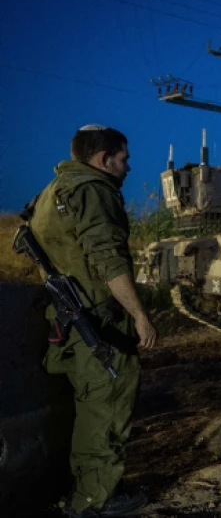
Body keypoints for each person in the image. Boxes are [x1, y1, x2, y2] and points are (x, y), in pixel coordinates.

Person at [26, 124, 157, 518]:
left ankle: (90, 487)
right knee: (107, 406)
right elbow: (108, 259)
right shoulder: (93, 191)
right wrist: (139, 315)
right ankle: (95, 499)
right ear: (103, 159)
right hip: (97, 320)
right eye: (123, 158)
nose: (128, 167)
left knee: (90, 406)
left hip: (68, 316)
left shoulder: (52, 191)